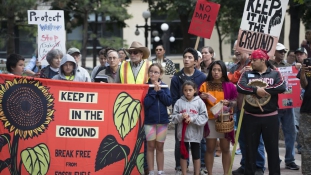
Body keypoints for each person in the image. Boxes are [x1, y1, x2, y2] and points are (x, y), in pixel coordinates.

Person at [237, 49, 286, 175]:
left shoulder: (275, 74)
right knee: (250, 150)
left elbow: (281, 86)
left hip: (270, 117)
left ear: (263, 60)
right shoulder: (247, 74)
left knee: (272, 150)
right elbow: (240, 86)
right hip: (251, 117)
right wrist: (255, 90)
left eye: (254, 60)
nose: (251, 62)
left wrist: (263, 89)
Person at [229, 43, 265, 175]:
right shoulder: (235, 67)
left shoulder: (254, 65)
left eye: (238, 49)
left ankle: (259, 166)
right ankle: (245, 165)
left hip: (253, 108)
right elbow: (228, 81)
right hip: (239, 109)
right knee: (242, 138)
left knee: (257, 139)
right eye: (235, 49)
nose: (236, 51)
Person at [170, 47, 206, 175]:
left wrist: (194, 115)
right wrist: (181, 113)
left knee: (199, 143)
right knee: (180, 143)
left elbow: (204, 96)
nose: (186, 59)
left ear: (196, 61)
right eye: (185, 57)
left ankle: (201, 167)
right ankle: (180, 168)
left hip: (196, 116)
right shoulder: (176, 77)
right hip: (182, 116)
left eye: (190, 57)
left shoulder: (202, 77)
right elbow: (174, 98)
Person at [199, 60, 237, 175]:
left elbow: (236, 101)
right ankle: (210, 173)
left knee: (225, 149)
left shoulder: (229, 85)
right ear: (210, 71)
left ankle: (226, 173)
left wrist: (229, 103)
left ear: (223, 72)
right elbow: (197, 101)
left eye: (219, 70)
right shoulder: (204, 85)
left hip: (224, 120)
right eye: (214, 70)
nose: (216, 72)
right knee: (210, 148)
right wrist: (201, 96)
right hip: (210, 120)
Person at [269, 43, 300, 170]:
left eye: (284, 51)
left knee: (291, 133)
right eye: (280, 51)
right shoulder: (268, 66)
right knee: (272, 134)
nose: (283, 53)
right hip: (274, 105)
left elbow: (296, 82)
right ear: (274, 52)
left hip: (287, 105)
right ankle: (275, 159)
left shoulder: (289, 66)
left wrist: (299, 68)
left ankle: (290, 159)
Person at [144, 63, 172, 175]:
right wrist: (153, 92)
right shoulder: (146, 87)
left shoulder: (165, 87)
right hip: (149, 122)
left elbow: (168, 101)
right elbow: (145, 104)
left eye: (156, 72)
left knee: (160, 146)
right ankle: (151, 171)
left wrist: (159, 91)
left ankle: (160, 171)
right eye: (151, 71)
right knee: (150, 146)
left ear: (160, 74)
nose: (153, 74)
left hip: (162, 122)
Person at [296, 57, 311, 175]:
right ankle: (306, 171)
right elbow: (304, 85)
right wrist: (302, 73)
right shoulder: (308, 62)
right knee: (306, 144)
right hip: (307, 110)